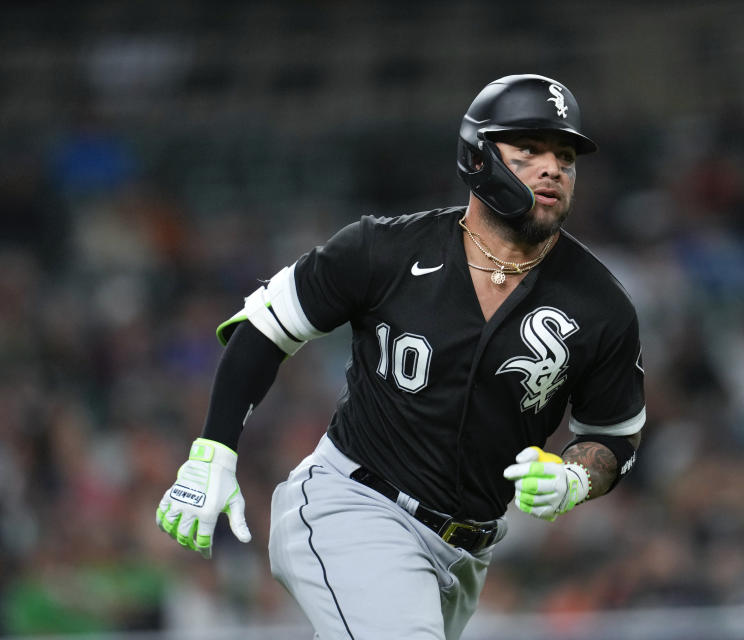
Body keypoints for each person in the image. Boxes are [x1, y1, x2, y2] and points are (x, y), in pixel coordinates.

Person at [156, 73, 646, 640]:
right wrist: (213, 449)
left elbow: (613, 437)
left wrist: (576, 479)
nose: (552, 167)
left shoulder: (602, 305)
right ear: (479, 157)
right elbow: (266, 327)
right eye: (529, 149)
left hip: (467, 553)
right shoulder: (384, 249)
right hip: (353, 505)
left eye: (565, 155)